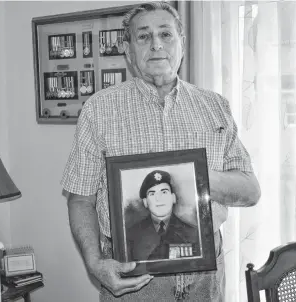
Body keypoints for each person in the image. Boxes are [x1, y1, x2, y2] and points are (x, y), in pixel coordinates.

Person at [61, 2, 261, 301]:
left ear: (182, 43)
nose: (156, 44)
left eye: (166, 34)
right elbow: (80, 199)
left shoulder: (216, 107)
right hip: (134, 279)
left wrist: (195, 174)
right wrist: (94, 263)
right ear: (128, 50)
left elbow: (250, 191)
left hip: (205, 276)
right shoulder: (98, 110)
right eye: (143, 36)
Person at [126, 170, 200, 262]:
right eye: (152, 194)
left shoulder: (193, 233)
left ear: (173, 198)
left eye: (164, 192)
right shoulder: (131, 234)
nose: (158, 198)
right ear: (145, 202)